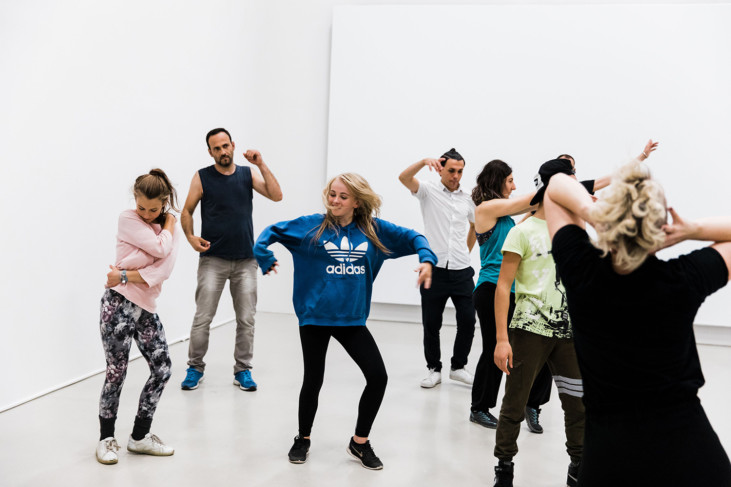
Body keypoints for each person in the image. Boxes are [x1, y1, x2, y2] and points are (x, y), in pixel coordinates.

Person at [544, 156, 731, 486]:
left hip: (611, 458)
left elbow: (556, 185)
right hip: (691, 454)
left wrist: (594, 215)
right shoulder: (683, 280)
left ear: (611, 216)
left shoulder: (582, 270)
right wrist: (692, 231)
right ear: (658, 225)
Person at [254, 173, 436, 470]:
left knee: (378, 377)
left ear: (356, 202)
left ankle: (359, 442)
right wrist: (262, 255)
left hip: (351, 320)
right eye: (332, 194)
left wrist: (427, 259)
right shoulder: (310, 226)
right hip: (314, 317)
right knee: (313, 380)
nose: (334, 200)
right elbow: (270, 232)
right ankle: (303, 437)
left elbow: (415, 237)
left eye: (342, 196)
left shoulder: (374, 231)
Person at [491, 158, 590, 487]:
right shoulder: (523, 231)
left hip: (569, 334)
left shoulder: (576, 232)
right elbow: (503, 286)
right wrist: (502, 339)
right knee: (515, 403)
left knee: (578, 405)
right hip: (528, 331)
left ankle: (578, 466)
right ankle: (504, 466)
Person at [180, 127, 283, 392]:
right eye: (217, 148)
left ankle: (243, 371)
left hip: (246, 260)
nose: (223, 151)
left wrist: (261, 164)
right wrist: (191, 237)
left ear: (233, 145)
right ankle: (194, 368)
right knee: (203, 317)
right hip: (212, 259)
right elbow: (187, 211)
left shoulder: (247, 174)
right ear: (210, 151)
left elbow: (276, 195)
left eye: (226, 146)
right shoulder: (202, 177)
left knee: (246, 319)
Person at [96, 169, 181, 465]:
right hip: (118, 303)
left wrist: (123, 273)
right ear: (135, 200)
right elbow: (159, 251)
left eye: (153, 209)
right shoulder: (128, 219)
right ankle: (106, 438)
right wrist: (163, 238)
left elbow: (164, 270)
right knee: (116, 371)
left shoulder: (169, 227)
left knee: (163, 368)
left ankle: (140, 437)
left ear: (164, 202)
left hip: (146, 307)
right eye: (141, 206)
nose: (145, 214)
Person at [469, 160, 553, 432]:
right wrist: (560, 183)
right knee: (496, 347)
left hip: (515, 290)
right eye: (510, 181)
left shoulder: (505, 218)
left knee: (537, 346)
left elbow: (531, 213)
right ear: (497, 181)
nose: (514, 186)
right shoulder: (486, 210)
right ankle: (479, 408)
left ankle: (532, 404)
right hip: (491, 288)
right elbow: (530, 201)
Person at [398, 148, 476, 388]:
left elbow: (475, 226)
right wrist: (423, 161)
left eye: (460, 171)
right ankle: (434, 368)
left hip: (462, 271)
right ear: (441, 169)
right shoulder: (428, 191)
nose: (456, 176)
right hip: (435, 270)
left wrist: (465, 251)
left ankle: (458, 367)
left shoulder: (468, 198)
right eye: (451, 170)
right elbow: (403, 178)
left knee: (468, 320)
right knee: (432, 323)